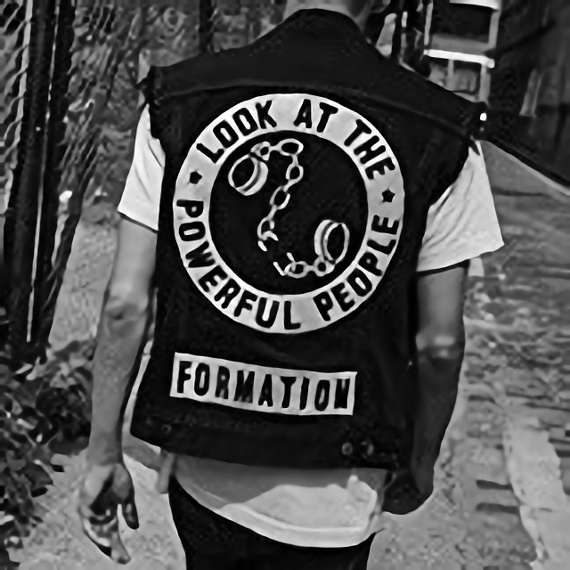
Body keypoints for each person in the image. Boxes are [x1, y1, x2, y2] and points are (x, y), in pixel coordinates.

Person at [77, 0, 504, 567]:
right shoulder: (444, 132)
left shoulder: (179, 99)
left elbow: (125, 304)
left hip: (207, 465)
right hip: (338, 487)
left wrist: (103, 452)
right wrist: (420, 460)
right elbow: (441, 344)